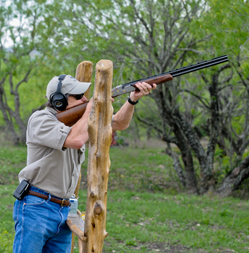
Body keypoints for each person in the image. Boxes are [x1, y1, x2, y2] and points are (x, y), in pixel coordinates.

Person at [12, 74, 156, 252]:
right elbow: (76, 139)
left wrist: (132, 100)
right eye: (79, 96)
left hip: (64, 210)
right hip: (37, 206)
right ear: (59, 101)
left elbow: (119, 123)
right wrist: (92, 108)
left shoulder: (79, 120)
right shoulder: (40, 120)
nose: (85, 99)